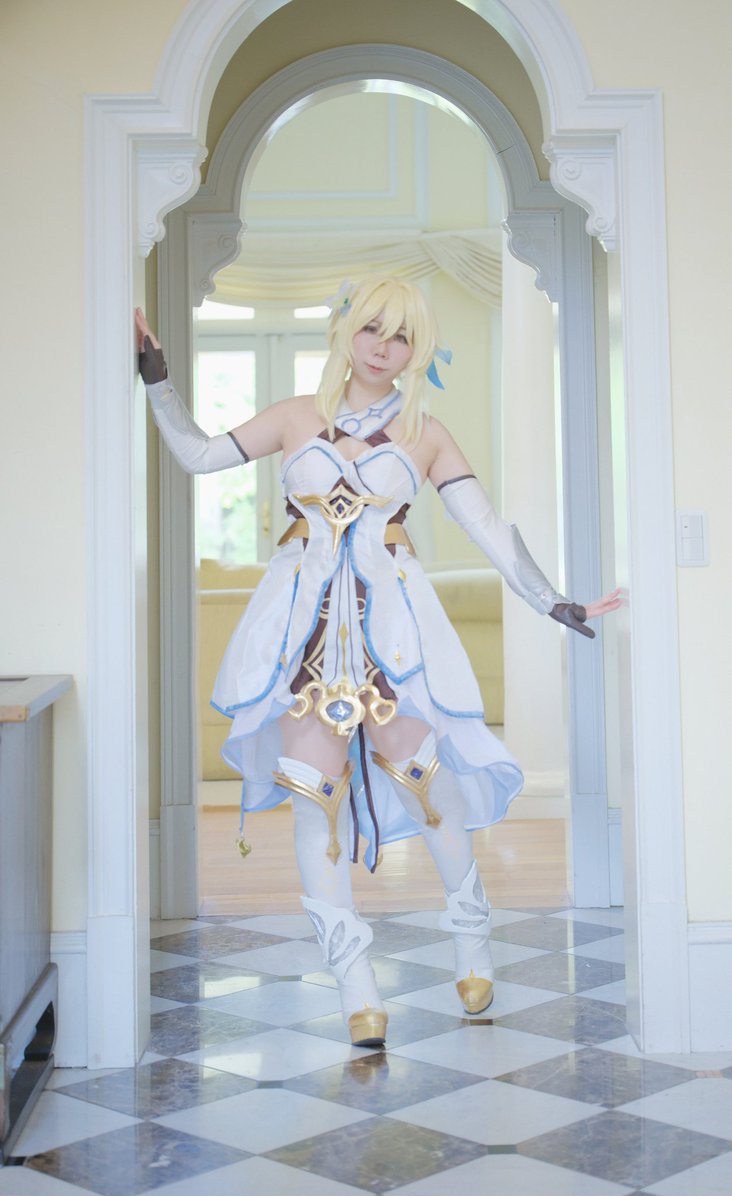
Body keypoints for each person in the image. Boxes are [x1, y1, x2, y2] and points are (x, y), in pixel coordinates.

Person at [135, 278, 620, 1049]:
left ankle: (472, 941)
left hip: (393, 634)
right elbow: (197, 455)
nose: (381, 348)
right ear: (344, 330)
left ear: (416, 351)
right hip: (302, 636)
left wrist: (551, 600)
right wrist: (156, 379)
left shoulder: (426, 432)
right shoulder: (294, 416)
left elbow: (486, 525)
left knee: (431, 791)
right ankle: (356, 986)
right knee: (312, 801)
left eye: (400, 337)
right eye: (370, 329)